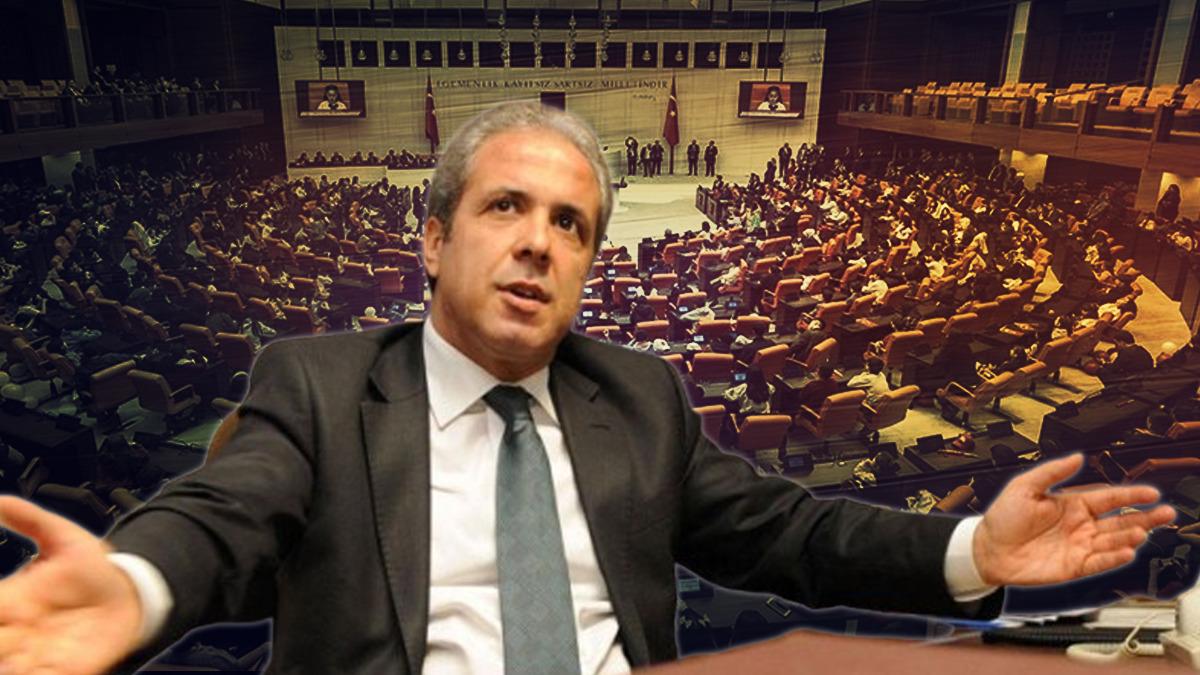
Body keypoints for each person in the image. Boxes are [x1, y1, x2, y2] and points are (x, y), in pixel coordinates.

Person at [0, 102, 1175, 675]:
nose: (538, 241)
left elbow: (793, 534)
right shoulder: (316, 383)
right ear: (433, 239)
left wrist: (974, 549)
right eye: (505, 207)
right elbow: (227, 514)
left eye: (570, 223)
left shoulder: (643, 396)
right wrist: (138, 585)